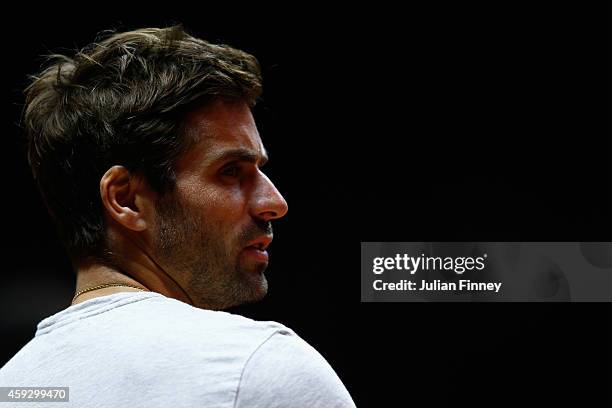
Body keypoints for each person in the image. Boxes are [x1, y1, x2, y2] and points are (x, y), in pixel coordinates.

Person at [0, 26, 356, 407]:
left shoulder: (13, 386)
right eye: (231, 170)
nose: (275, 202)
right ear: (126, 199)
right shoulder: (257, 368)